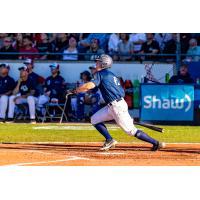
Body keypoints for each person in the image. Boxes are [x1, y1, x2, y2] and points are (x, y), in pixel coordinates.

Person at [70, 54, 164, 151]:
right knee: (94, 119)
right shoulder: (111, 74)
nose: (96, 63)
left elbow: (89, 85)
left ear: (104, 64)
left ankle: (156, 143)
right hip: (114, 105)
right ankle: (109, 140)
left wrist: (75, 90)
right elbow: (119, 91)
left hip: (116, 106)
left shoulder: (100, 73)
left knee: (131, 131)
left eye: (98, 62)